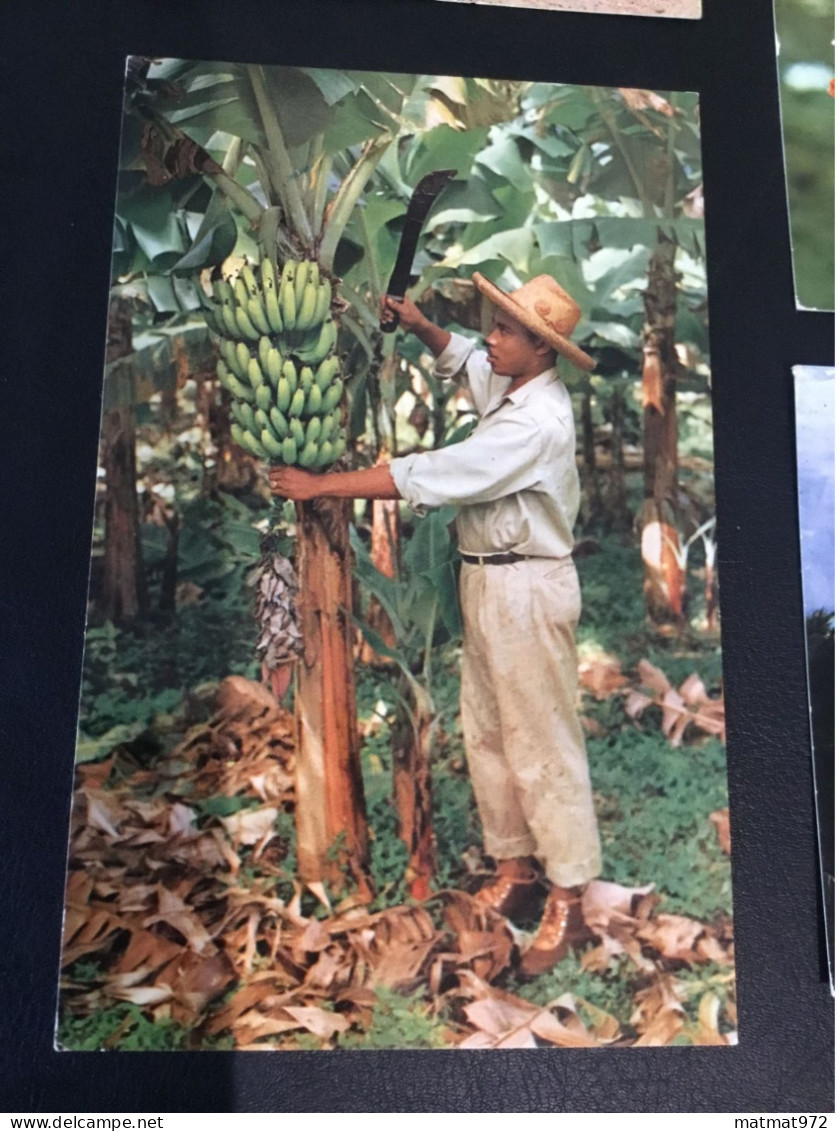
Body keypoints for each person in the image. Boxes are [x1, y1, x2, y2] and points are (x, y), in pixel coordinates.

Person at [269, 272, 602, 974]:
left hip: (527, 584)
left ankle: (569, 893)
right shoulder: (515, 388)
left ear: (540, 351)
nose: (491, 337)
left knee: (541, 740)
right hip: (486, 578)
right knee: (485, 730)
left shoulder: (534, 422)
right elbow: (472, 366)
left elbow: (433, 470)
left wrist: (323, 486)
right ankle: (516, 868)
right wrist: (421, 326)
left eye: (505, 330)